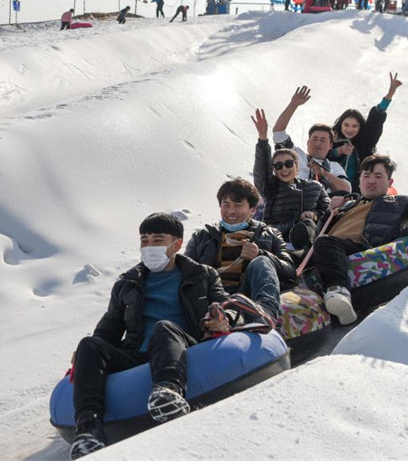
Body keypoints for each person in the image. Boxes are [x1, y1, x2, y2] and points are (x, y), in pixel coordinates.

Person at [69, 213, 232, 459]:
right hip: (138, 354)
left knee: (163, 328)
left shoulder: (202, 275)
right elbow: (109, 328)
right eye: (144, 241)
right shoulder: (127, 284)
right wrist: (84, 356)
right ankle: (89, 429)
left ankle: (168, 393)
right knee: (89, 345)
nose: (149, 247)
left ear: (176, 244)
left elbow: (225, 305)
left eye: (157, 240)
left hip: (182, 345)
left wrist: (223, 317)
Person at [312, 132, 408, 325]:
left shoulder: (396, 203)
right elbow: (317, 238)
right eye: (367, 175)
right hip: (327, 251)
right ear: (359, 181)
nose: (371, 180)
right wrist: (329, 212)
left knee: (326, 243)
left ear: (389, 183)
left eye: (378, 176)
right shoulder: (347, 205)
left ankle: (338, 291)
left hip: (358, 249)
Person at [184, 178, 296, 316]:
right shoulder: (202, 236)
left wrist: (261, 254)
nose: (231, 211)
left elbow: (290, 271)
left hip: (248, 294)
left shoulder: (270, 234)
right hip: (213, 296)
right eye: (226, 205)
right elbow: (184, 271)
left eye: (238, 205)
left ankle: (265, 316)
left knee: (261, 262)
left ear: (253, 209)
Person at [252, 109, 330, 250]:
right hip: (276, 238)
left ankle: (304, 244)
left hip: (306, 239)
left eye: (288, 164)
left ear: (297, 166)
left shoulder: (315, 187)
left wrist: (314, 215)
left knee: (307, 224)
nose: (284, 169)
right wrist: (262, 139)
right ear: (274, 170)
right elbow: (261, 170)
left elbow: (327, 211)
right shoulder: (270, 186)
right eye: (278, 166)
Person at [272, 86, 351, 195]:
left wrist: (324, 173)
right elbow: (278, 133)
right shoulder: (295, 154)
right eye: (314, 139)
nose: (318, 143)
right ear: (307, 142)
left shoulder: (334, 167)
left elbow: (346, 190)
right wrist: (293, 105)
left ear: (330, 146)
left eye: (323, 140)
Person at [331, 73, 403, 192]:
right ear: (340, 125)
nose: (349, 129)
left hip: (359, 190)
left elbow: (376, 119)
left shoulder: (365, 142)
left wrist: (390, 94)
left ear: (360, 127)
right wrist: (339, 151)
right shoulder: (332, 140)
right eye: (346, 125)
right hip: (333, 189)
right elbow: (323, 156)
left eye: (354, 126)